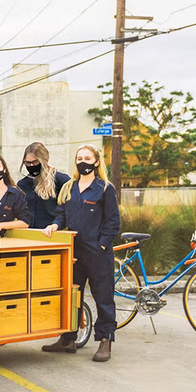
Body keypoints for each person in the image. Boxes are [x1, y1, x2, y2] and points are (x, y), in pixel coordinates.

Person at [42, 144, 120, 362]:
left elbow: (113, 222)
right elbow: (61, 215)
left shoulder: (105, 188)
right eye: (79, 158)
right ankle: (68, 338)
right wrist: (55, 225)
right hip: (74, 252)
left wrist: (102, 245)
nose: (82, 162)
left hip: (98, 254)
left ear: (96, 162)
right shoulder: (69, 187)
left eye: (87, 158)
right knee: (71, 296)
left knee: (103, 298)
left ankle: (105, 340)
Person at [17, 142, 71, 229]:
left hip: (53, 232)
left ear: (44, 160)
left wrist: (57, 224)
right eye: (28, 163)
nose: (31, 166)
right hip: (29, 232)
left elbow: (68, 209)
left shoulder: (61, 181)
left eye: (35, 162)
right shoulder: (22, 184)